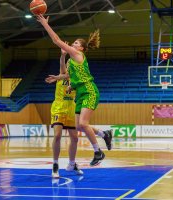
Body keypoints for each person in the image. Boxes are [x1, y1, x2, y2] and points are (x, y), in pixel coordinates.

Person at [37, 15, 109, 166]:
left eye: (76, 43)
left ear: (81, 48)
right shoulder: (72, 61)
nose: (73, 44)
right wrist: (58, 78)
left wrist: (45, 24)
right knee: (78, 126)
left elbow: (56, 40)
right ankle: (104, 134)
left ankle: (98, 152)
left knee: (83, 123)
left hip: (89, 90)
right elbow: (69, 75)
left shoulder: (77, 54)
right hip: (80, 93)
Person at [46, 46, 113, 177]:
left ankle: (72, 163)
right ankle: (55, 165)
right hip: (59, 107)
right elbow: (63, 68)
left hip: (71, 107)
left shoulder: (76, 79)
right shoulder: (62, 75)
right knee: (58, 134)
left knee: (76, 137)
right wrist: (63, 55)